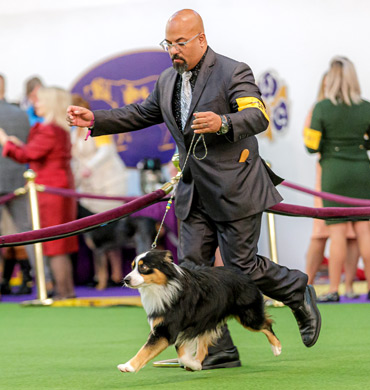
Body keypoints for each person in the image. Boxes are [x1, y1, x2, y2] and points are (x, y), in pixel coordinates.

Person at [67, 9, 321, 369]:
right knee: (190, 273)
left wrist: (223, 122)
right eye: (168, 43)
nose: (173, 50)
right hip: (192, 194)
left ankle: (298, 290)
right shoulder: (167, 80)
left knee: (241, 268)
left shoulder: (234, 71)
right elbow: (141, 113)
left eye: (180, 42)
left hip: (236, 188)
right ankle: (217, 350)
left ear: (201, 39)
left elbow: (258, 115)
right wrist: (98, 119)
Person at [0, 86, 78, 300]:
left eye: (40, 101)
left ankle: (63, 294)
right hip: (59, 187)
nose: (36, 104)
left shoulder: (48, 129)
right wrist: (17, 144)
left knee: (54, 245)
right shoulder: (58, 129)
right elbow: (35, 152)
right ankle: (65, 292)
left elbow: (28, 154)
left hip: (49, 190)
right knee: (58, 243)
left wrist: (5, 141)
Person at [304, 56, 370, 302]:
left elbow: (311, 146)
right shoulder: (366, 107)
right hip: (363, 171)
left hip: (333, 172)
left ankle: (333, 290)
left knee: (338, 233)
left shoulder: (321, 108)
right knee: (366, 232)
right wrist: (359, 145)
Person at [71, 94, 127, 289]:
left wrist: (90, 167)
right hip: (89, 189)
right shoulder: (74, 132)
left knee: (112, 231)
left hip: (108, 185)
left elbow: (107, 151)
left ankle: (116, 274)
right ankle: (99, 275)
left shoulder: (96, 126)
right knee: (95, 235)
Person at [0, 73, 34, 296]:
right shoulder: (20, 115)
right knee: (29, 233)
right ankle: (42, 280)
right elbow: (27, 147)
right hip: (17, 179)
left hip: (13, 180)